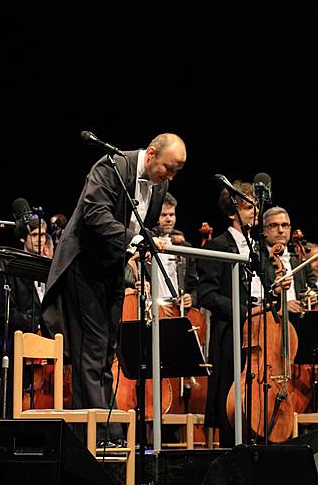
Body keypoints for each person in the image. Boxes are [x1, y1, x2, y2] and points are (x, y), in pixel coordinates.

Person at [42, 133, 186, 442]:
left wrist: (152, 237)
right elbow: (95, 213)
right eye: (168, 168)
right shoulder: (111, 167)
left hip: (112, 270)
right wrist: (136, 241)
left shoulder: (160, 185)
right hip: (83, 267)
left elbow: (141, 224)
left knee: (107, 350)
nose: (171, 177)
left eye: (176, 171)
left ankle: (96, 432)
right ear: (150, 155)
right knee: (91, 350)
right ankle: (102, 434)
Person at [198, 181, 259, 447]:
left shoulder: (257, 247)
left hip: (259, 333)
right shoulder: (217, 246)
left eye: (255, 207)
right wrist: (246, 312)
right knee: (230, 400)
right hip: (232, 334)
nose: (254, 213)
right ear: (233, 212)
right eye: (248, 208)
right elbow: (207, 294)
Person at [262, 206, 316, 315]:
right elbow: (256, 296)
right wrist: (283, 305)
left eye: (285, 225)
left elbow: (313, 287)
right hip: (271, 320)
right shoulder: (258, 259)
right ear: (264, 231)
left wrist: (310, 297)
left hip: (301, 321)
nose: (281, 230)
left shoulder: (299, 259)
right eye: (274, 226)